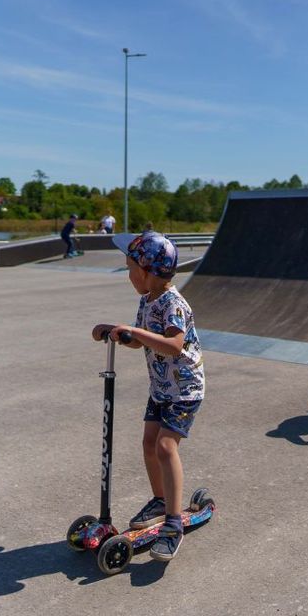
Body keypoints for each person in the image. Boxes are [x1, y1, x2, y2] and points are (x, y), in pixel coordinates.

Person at [91, 231, 204, 562]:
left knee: (166, 447)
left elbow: (173, 344)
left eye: (130, 269)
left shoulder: (174, 304)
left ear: (148, 270)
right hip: (161, 388)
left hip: (184, 390)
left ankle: (173, 525)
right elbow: (143, 341)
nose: (128, 276)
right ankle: (160, 499)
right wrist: (119, 332)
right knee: (148, 443)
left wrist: (135, 331)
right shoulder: (148, 300)